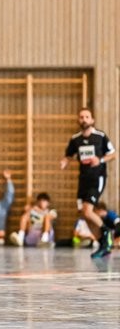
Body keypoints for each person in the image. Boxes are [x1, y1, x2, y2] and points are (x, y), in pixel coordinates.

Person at [61, 108, 116, 258]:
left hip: (96, 178)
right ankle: (103, 245)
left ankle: (106, 231)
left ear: (92, 120)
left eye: (87, 117)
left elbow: (113, 154)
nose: (84, 119)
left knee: (87, 210)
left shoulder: (100, 136)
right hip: (83, 179)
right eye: (81, 117)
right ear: (78, 120)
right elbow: (68, 155)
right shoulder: (75, 139)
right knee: (84, 215)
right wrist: (65, 161)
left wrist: (100, 160)